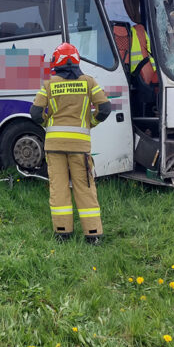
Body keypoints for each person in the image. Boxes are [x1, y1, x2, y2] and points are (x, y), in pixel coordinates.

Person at [29, 43, 111, 244]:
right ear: (76, 60)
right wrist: (91, 122)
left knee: (59, 188)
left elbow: (35, 113)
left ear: (56, 61)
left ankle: (62, 232)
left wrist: (48, 122)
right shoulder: (89, 82)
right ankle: (93, 234)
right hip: (79, 147)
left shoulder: (49, 84)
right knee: (85, 187)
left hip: (54, 146)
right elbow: (105, 108)